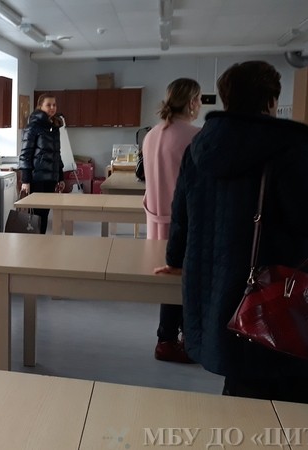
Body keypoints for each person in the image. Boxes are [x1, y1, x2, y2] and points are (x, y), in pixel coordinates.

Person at [155, 61, 308, 406]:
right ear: (271, 100)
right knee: (299, 389)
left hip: (220, 281)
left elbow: (182, 214)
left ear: (226, 99)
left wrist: (175, 260)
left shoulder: (201, 146)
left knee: (242, 377)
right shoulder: (289, 146)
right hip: (280, 288)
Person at [142, 78, 202, 363]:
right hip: (185, 223)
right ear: (191, 102)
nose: (200, 105)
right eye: (199, 99)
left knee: (170, 282)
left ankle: (167, 338)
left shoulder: (152, 134)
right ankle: (183, 340)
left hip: (155, 221)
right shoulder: (195, 136)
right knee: (188, 283)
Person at [19, 93, 65, 234]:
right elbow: (25, 155)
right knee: (35, 216)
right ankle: (33, 243)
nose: (52, 108)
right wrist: (26, 180)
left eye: (54, 105)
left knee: (44, 215)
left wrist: (60, 177)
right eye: (48, 105)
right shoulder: (33, 126)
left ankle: (41, 241)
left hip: (50, 179)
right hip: (36, 179)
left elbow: (56, 154)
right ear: (40, 106)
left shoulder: (54, 127)